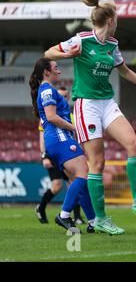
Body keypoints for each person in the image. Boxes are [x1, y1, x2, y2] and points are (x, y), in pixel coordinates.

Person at [44, 0, 136, 235]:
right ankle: (99, 218)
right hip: (86, 105)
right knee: (97, 163)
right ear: (110, 20)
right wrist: (68, 55)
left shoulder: (112, 44)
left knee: (134, 145)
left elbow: (124, 70)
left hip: (107, 102)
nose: (117, 21)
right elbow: (48, 53)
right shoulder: (82, 40)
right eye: (116, 18)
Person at [29, 58, 96, 233]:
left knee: (77, 180)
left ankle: (93, 221)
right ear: (46, 72)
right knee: (83, 174)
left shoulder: (46, 90)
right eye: (56, 68)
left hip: (57, 140)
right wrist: (76, 128)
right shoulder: (47, 90)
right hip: (60, 138)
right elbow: (51, 117)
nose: (59, 71)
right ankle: (64, 215)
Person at [35, 86, 84, 225]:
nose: (63, 98)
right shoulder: (47, 114)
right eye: (61, 95)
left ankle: (77, 216)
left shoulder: (71, 115)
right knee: (57, 186)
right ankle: (41, 208)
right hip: (53, 153)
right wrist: (44, 156)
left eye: (65, 96)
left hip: (67, 151)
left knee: (74, 182)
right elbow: (42, 137)